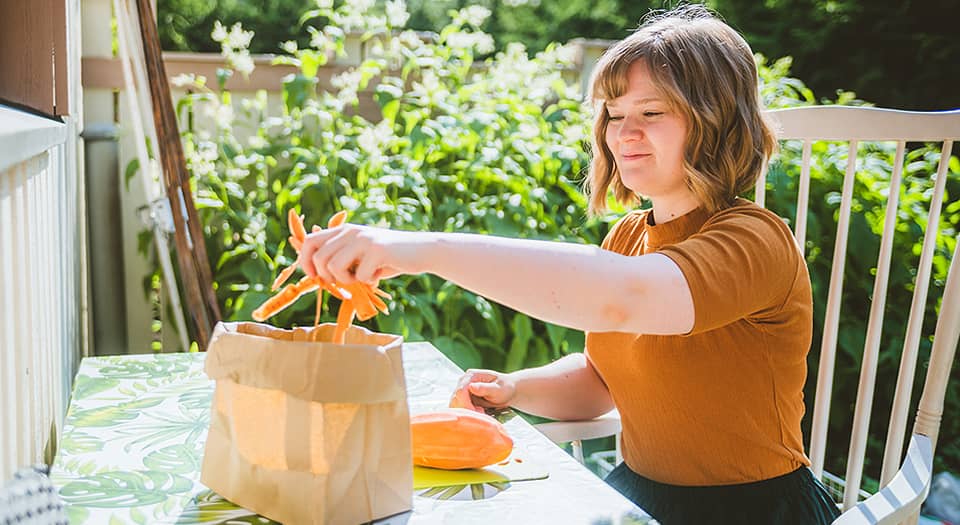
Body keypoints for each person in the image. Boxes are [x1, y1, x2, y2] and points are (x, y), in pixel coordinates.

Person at [297, 5, 840, 523]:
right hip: (642, 498)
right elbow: (603, 376)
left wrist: (418, 250)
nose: (624, 133)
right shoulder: (628, 236)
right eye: (614, 114)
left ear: (717, 123)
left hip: (750, 510)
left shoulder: (755, 240)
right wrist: (517, 388)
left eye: (651, 113)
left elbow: (624, 299)